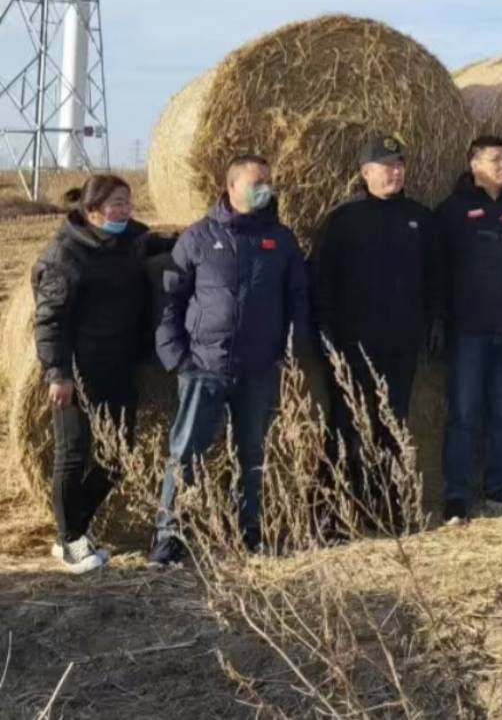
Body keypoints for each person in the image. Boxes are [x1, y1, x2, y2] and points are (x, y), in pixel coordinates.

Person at [150, 154, 308, 564]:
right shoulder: (199, 237)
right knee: (185, 452)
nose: (265, 189)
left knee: (251, 453)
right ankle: (169, 534)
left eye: (268, 182)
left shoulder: (281, 240)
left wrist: (289, 352)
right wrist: (176, 357)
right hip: (204, 365)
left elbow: (298, 299)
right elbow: (169, 299)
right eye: (257, 182)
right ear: (232, 186)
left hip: (259, 367)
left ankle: (248, 531)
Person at [33, 175, 169, 574]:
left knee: (118, 455)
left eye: (127, 202)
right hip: (78, 370)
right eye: (116, 204)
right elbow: (50, 321)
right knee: (73, 454)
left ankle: (73, 528)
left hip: (119, 365)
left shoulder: (132, 239)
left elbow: (158, 244)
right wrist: (57, 373)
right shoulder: (65, 255)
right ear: (93, 211)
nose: (125, 210)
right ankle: (69, 540)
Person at [310, 133, 439, 530]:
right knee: (346, 424)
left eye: (400, 165)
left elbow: (435, 277)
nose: (395, 172)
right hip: (353, 343)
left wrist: (435, 320)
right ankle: (332, 515)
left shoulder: (420, 218)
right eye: (386, 166)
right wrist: (325, 333)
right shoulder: (341, 220)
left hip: (401, 342)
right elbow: (322, 281)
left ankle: (390, 509)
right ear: (365, 173)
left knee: (393, 426)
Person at [435, 135, 502, 522]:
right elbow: (438, 269)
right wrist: (440, 319)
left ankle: (500, 484)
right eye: (495, 159)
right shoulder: (452, 210)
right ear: (473, 164)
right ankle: (457, 494)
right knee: (463, 412)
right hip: (468, 329)